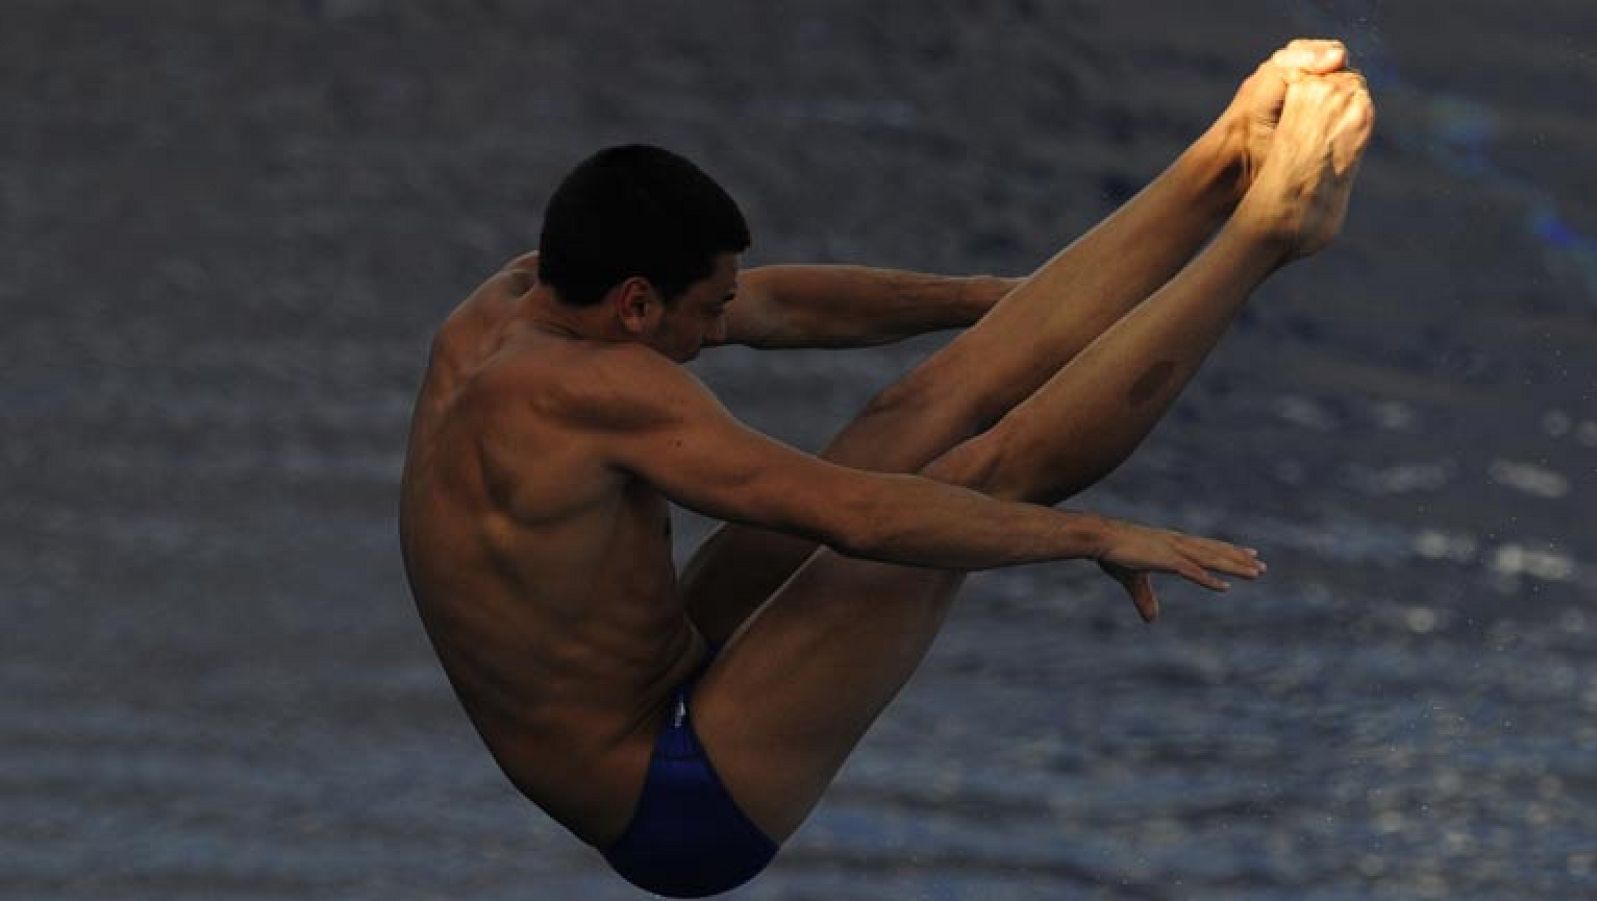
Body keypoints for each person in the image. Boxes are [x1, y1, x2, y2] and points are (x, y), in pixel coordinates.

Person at [399, 39, 1373, 898]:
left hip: (659, 669)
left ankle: (1225, 157)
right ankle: (1267, 231)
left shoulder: (517, 302)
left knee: (912, 408)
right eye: (704, 314)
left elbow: (788, 309)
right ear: (638, 305)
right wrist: (1090, 534)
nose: (717, 331)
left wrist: (1000, 307)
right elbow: (859, 520)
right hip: (675, 794)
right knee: (976, 478)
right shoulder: (592, 391)